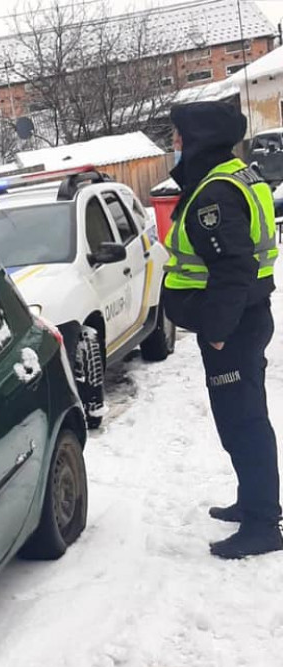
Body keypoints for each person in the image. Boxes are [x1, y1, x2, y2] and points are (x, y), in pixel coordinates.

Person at [163, 101, 282, 559]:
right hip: (244, 319)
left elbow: (234, 266)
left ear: (198, 139)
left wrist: (216, 328)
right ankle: (253, 501)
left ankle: (262, 525)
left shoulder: (214, 193)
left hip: (233, 325)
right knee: (241, 417)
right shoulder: (236, 174)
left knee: (244, 422)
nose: (174, 144)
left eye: (177, 136)